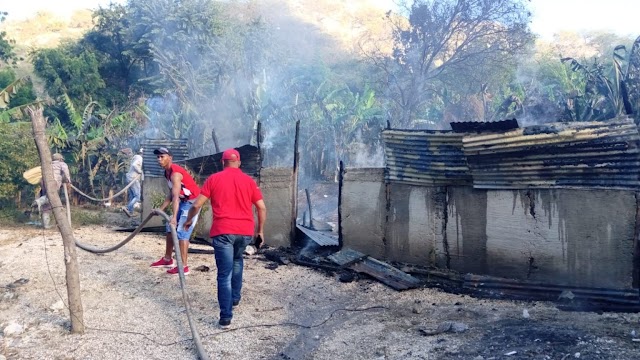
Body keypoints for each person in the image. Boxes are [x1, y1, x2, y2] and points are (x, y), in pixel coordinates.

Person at [183, 148, 267, 328]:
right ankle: (235, 298)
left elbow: (197, 204)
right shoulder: (249, 182)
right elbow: (261, 207)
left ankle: (226, 317)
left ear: (222, 162)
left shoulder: (213, 179)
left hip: (223, 232)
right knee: (237, 262)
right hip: (244, 232)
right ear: (239, 163)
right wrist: (260, 231)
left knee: (224, 274)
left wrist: (189, 220)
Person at [150, 147, 201, 275]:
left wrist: (174, 218)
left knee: (182, 231)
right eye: (158, 157)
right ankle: (167, 259)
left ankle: (184, 267)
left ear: (170, 158)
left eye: (162, 157)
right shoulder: (167, 173)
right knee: (169, 227)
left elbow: (176, 197)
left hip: (191, 203)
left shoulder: (175, 174)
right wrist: (160, 209)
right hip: (184, 201)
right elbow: (171, 194)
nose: (159, 159)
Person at [33, 153, 72, 229]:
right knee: (50, 197)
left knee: (47, 204)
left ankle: (46, 225)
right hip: (53, 181)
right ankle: (39, 201)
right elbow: (66, 172)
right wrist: (69, 181)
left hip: (43, 181)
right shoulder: (62, 164)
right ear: (60, 159)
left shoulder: (48, 164)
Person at [122, 148, 144, 217]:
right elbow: (134, 165)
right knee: (137, 196)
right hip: (133, 179)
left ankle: (130, 211)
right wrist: (140, 172)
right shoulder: (139, 158)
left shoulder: (135, 157)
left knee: (132, 196)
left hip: (129, 178)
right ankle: (128, 208)